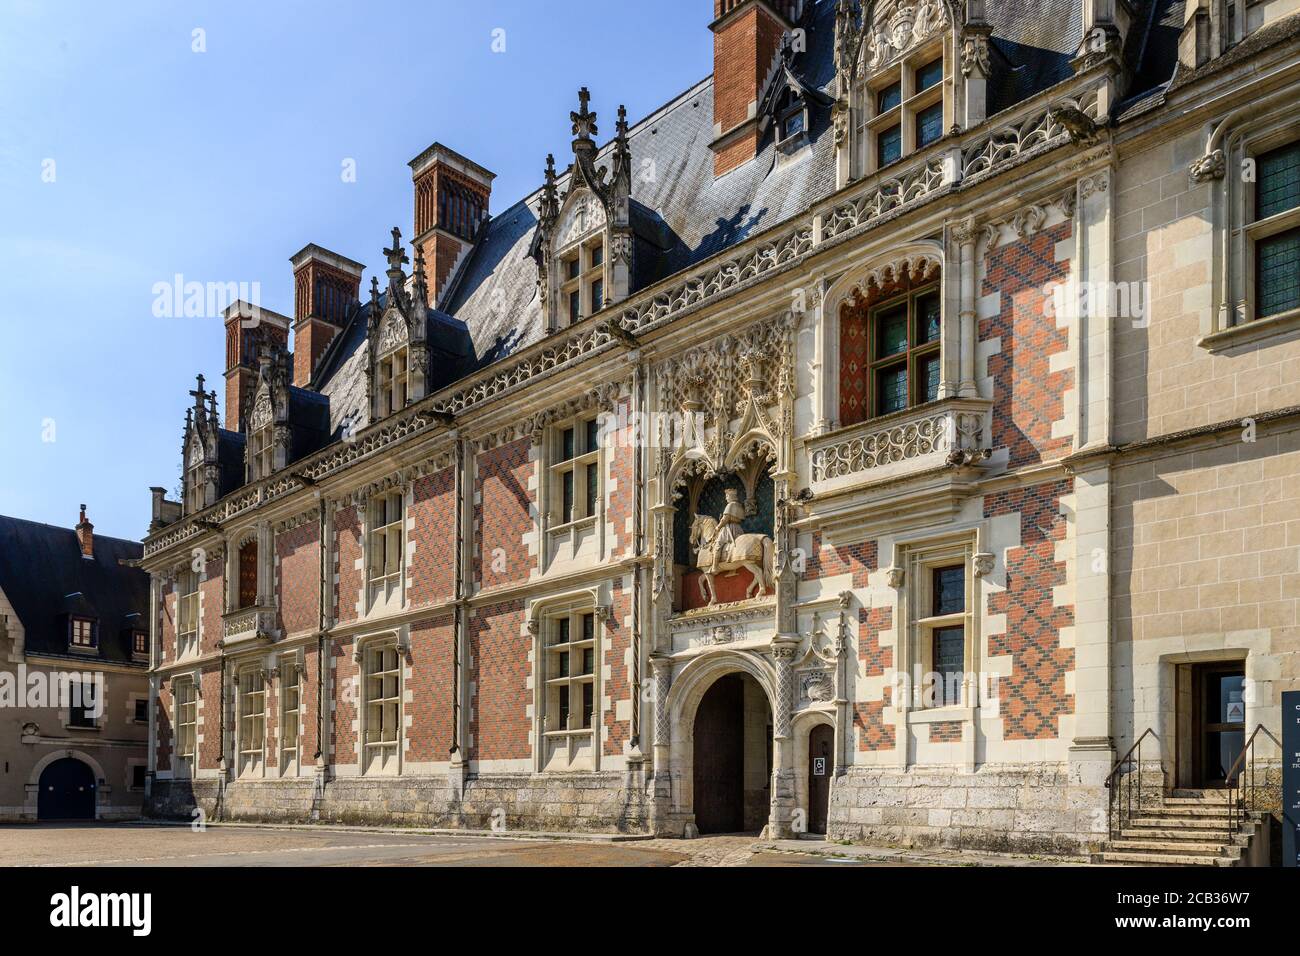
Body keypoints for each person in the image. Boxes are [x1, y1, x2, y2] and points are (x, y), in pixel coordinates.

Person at [710, 488, 745, 573]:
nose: (726, 498)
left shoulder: (730, 505)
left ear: (731, 496)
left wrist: (718, 527)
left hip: (729, 528)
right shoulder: (739, 505)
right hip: (738, 528)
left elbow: (725, 519)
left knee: (718, 544)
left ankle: (714, 566)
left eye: (727, 496)